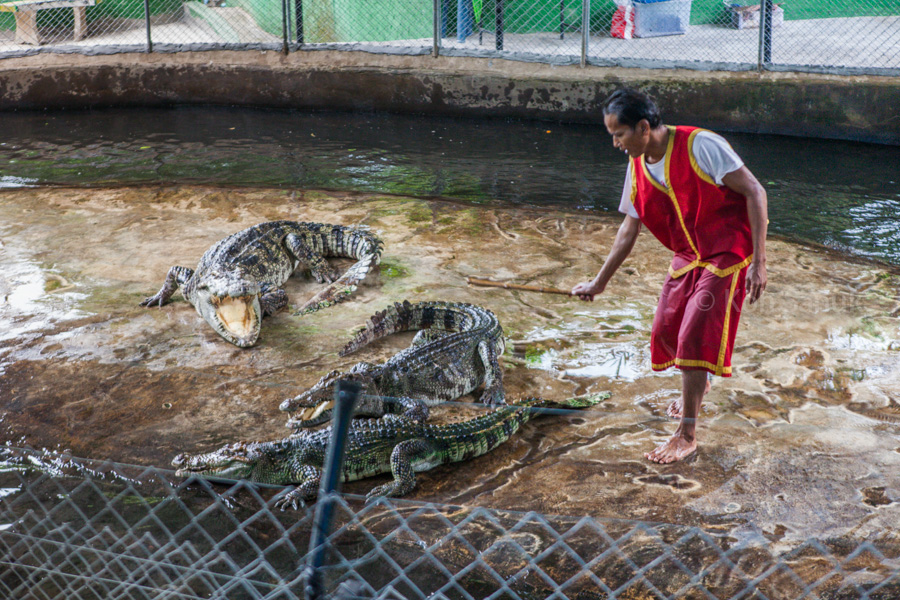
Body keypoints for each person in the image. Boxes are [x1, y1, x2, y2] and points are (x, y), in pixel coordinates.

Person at [572, 88, 768, 464]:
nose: (614, 143)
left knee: (695, 335)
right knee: (666, 329)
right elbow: (628, 230)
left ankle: (686, 435)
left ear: (644, 127)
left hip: (726, 248)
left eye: (619, 134)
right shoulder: (637, 163)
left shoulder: (701, 146)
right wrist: (599, 282)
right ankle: (701, 382)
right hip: (689, 254)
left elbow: (755, 192)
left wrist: (760, 263)